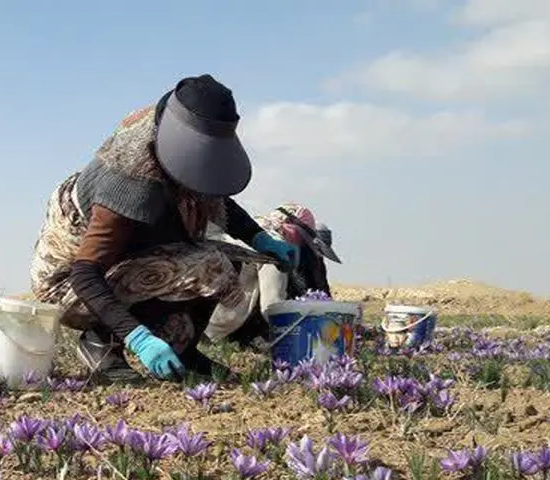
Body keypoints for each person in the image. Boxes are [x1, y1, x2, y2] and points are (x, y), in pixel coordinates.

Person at [29, 74, 299, 382]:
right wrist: (137, 337)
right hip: (68, 287)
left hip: (122, 259)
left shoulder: (173, 131)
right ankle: (103, 342)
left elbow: (211, 191)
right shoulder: (130, 182)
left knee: (231, 257)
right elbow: (85, 273)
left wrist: (259, 237)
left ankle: (183, 350)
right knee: (209, 264)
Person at [207, 203, 342, 347]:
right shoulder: (275, 245)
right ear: (287, 224)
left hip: (206, 322)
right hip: (224, 328)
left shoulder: (253, 230)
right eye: (301, 237)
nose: (301, 243)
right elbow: (272, 307)